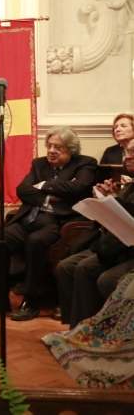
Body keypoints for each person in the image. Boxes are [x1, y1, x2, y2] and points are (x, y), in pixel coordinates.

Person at [0, 127, 98, 321]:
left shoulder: (85, 163)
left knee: (35, 242)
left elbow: (79, 187)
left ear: (71, 149)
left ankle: (31, 302)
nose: (51, 151)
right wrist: (52, 197)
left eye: (58, 147)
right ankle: (1, 298)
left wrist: (43, 186)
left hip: (57, 221)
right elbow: (22, 190)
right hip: (28, 217)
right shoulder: (39, 164)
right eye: (49, 146)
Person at [55, 140, 134, 328]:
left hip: (125, 249)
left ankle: (97, 330)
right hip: (111, 243)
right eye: (127, 152)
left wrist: (113, 201)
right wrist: (103, 201)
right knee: (65, 267)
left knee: (87, 269)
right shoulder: (129, 186)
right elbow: (108, 222)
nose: (129, 156)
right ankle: (75, 327)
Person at [100, 113, 134, 177]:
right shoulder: (110, 151)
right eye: (115, 127)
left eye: (123, 126)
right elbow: (101, 176)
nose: (117, 130)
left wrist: (131, 181)